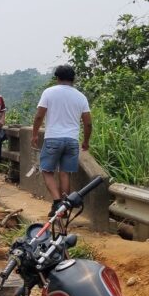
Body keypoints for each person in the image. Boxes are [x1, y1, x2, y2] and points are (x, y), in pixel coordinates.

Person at [31, 65, 92, 217]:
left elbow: (39, 116)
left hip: (53, 138)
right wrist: (86, 141)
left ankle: (57, 202)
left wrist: (34, 134)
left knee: (46, 170)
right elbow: (88, 123)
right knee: (65, 173)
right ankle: (64, 207)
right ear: (73, 79)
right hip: (72, 140)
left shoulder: (49, 92)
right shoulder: (81, 97)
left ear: (57, 78)